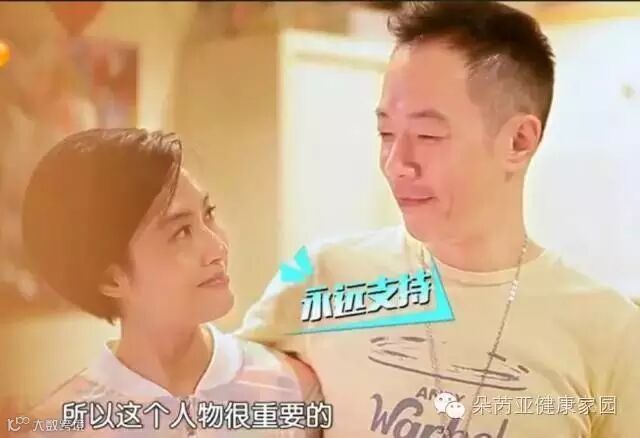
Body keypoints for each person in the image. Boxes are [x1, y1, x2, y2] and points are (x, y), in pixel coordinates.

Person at [236, 2, 640, 437]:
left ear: (518, 141)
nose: (397, 163)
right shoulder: (322, 276)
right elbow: (216, 398)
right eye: (386, 133)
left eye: (428, 135)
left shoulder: (612, 330)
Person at [22, 128, 322, 437]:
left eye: (208, 215)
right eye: (181, 232)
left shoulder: (290, 389)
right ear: (112, 279)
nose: (218, 247)